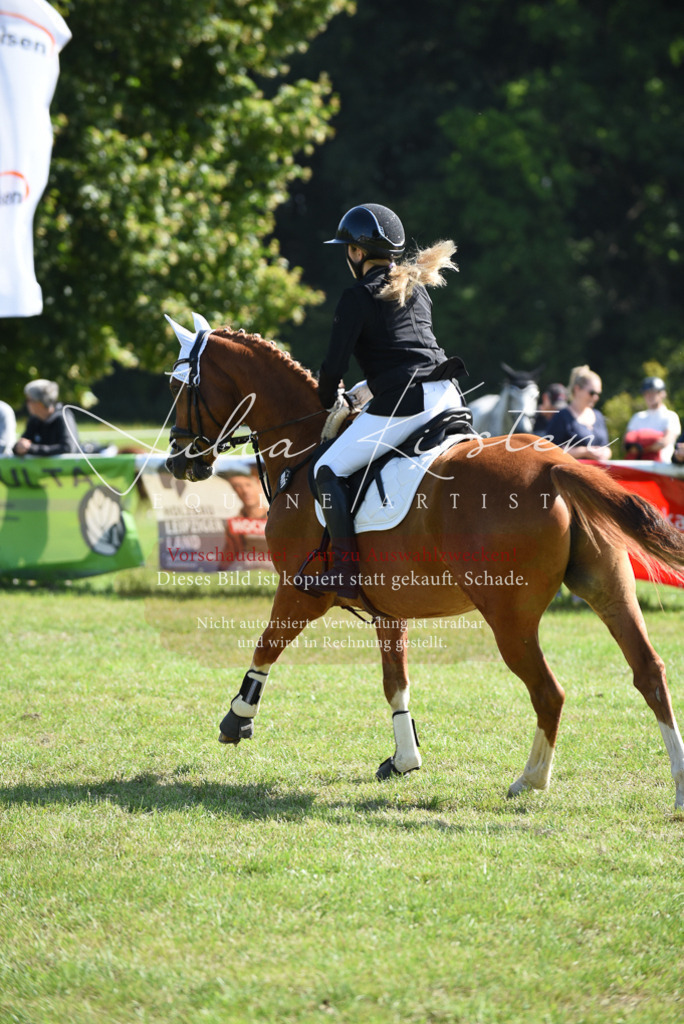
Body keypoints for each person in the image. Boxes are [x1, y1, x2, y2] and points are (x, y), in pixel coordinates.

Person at [297, 202, 466, 599]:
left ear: (357, 252)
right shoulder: (416, 288)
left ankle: (344, 570)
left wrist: (327, 398)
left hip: (407, 404)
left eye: (348, 249)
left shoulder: (356, 297)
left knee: (326, 468)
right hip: (448, 395)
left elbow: (333, 365)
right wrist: (366, 389)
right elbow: (408, 356)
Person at [545, 365, 612, 461]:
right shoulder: (561, 417)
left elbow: (606, 446)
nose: (596, 397)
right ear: (577, 389)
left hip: (598, 469)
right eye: (592, 393)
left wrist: (606, 452)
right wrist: (583, 452)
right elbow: (549, 450)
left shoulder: (598, 416)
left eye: (598, 394)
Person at [12, 379, 80, 457]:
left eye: (28, 400)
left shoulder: (63, 417)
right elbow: (23, 442)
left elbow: (68, 448)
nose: (26, 404)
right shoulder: (34, 420)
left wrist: (31, 448)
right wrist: (18, 448)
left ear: (40, 402)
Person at [623, 376, 681, 462]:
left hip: (664, 466)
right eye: (646, 393)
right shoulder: (637, 417)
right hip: (638, 466)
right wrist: (651, 444)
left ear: (663, 393)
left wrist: (640, 447)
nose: (649, 396)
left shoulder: (671, 416)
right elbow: (626, 445)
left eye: (653, 392)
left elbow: (665, 442)